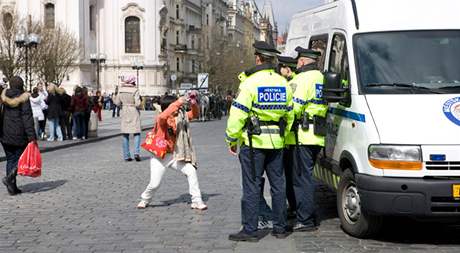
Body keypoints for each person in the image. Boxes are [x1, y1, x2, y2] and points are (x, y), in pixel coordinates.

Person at [226, 41, 294, 241]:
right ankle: (280, 228)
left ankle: (250, 230)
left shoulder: (250, 82)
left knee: (252, 186)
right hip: (277, 143)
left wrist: (232, 138)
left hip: (254, 143)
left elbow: (237, 114)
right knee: (278, 186)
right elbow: (289, 115)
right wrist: (283, 135)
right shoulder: (283, 83)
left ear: (257, 58)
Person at [136, 92, 207, 211]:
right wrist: (178, 102)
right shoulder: (161, 118)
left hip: (175, 155)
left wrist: (194, 103)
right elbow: (163, 117)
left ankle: (197, 200)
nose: (179, 108)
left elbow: (194, 114)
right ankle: (145, 199)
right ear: (170, 106)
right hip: (159, 156)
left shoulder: (180, 117)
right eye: (176, 106)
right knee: (154, 184)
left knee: (191, 171)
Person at [285, 46, 328, 232]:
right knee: (307, 177)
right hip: (317, 134)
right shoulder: (321, 77)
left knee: (301, 178)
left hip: (301, 135)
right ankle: (308, 214)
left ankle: (305, 219)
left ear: (302, 61)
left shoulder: (302, 79)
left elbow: (294, 107)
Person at [0, 76, 36, 195]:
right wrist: (31, 136)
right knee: (21, 159)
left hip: (5, 133)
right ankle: (9, 179)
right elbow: (27, 118)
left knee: (10, 159)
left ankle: (12, 188)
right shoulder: (24, 98)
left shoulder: (4, 97)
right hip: (19, 133)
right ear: (21, 85)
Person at [277, 55, 299, 218]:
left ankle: (294, 206)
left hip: (291, 138)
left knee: (290, 175)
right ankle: (293, 205)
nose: (280, 71)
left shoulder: (292, 84)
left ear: (287, 68)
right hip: (293, 137)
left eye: (282, 68)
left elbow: (290, 112)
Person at [114, 76, 142, 162]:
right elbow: (137, 104)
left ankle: (126, 155)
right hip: (133, 111)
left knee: (125, 134)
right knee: (137, 132)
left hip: (125, 111)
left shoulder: (121, 90)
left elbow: (117, 103)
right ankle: (136, 152)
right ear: (133, 82)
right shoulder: (135, 90)